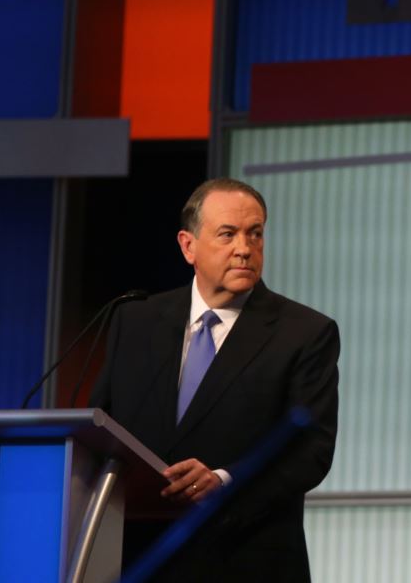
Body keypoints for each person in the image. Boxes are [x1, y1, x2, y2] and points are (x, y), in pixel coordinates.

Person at [90, 178, 339, 582]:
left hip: (246, 558)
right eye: (228, 234)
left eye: (255, 234)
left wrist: (224, 480)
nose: (245, 248)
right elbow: (103, 427)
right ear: (188, 246)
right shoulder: (134, 320)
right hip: (138, 557)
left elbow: (311, 452)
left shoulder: (305, 332)